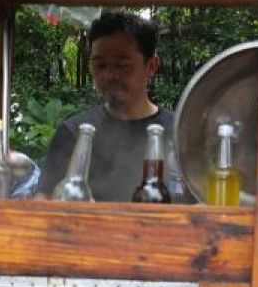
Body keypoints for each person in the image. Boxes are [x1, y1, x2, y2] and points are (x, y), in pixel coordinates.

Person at [38, 10, 184, 201]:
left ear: (151, 66)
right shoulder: (74, 134)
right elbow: (42, 203)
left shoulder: (179, 134)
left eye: (122, 65)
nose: (109, 75)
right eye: (100, 66)